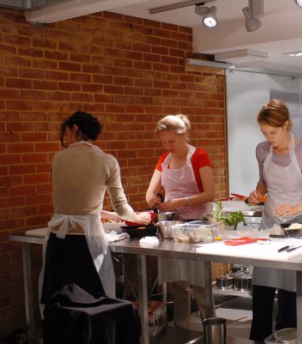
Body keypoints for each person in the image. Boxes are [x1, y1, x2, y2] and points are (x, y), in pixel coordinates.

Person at [40, 111, 150, 309]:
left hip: (57, 239)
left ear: (74, 129)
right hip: (86, 241)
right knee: (93, 303)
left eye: (65, 134)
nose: (65, 139)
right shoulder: (107, 161)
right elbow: (121, 207)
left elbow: (75, 203)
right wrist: (137, 219)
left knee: (60, 301)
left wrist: (105, 214)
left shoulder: (58, 159)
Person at [247, 99, 302, 342]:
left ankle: (288, 335)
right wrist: (258, 192)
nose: (268, 137)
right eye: (264, 132)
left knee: (290, 285)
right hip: (269, 222)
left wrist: (297, 207)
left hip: (297, 226)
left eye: (272, 132)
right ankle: (259, 336)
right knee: (262, 283)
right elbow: (263, 181)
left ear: (286, 125)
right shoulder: (262, 150)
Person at [145, 114, 215, 329]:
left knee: (200, 281)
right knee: (178, 280)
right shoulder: (164, 159)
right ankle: (182, 326)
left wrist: (181, 201)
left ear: (183, 135)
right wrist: (155, 200)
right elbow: (150, 192)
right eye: (164, 142)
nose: (168, 146)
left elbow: (210, 193)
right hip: (172, 225)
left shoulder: (199, 156)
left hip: (198, 224)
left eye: (171, 142)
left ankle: (210, 326)